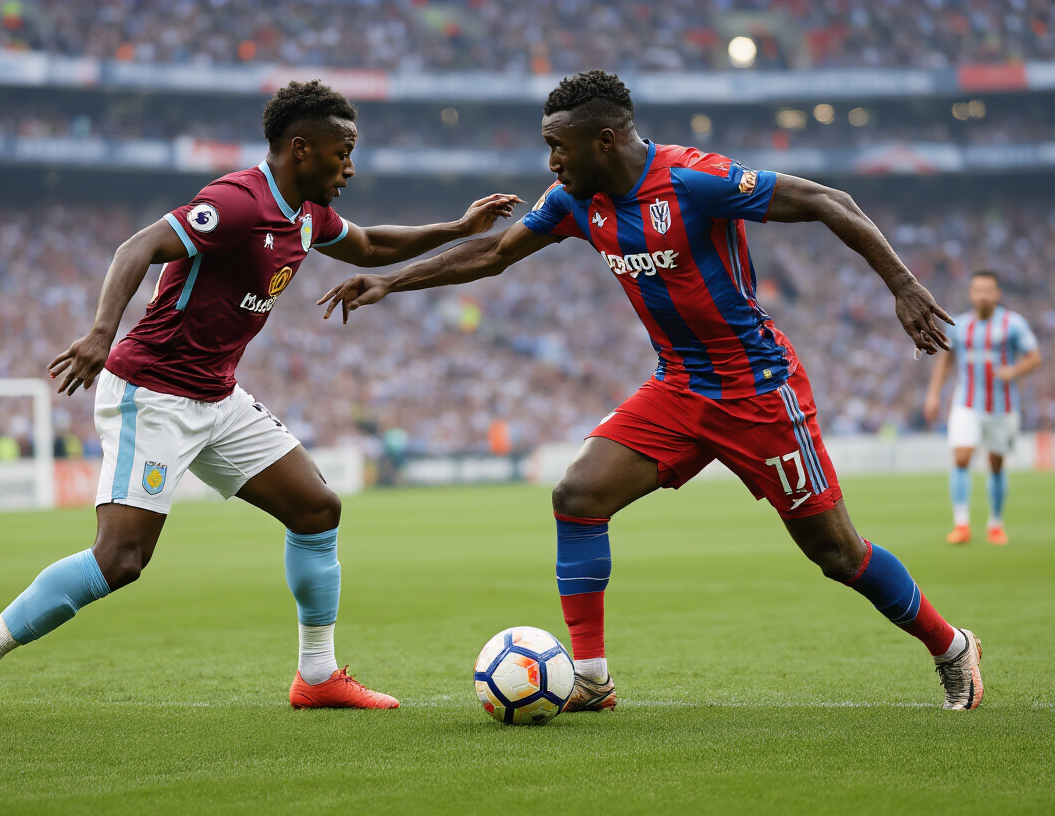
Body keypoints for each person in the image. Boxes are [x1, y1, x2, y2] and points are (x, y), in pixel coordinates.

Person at [319, 70, 985, 711]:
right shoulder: (576, 200)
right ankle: (589, 679)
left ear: (603, 139)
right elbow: (494, 255)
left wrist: (903, 285)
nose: (550, 161)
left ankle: (952, 646)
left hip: (758, 389)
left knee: (837, 554)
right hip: (680, 387)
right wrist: (390, 281)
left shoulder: (694, 178)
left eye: (558, 145)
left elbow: (827, 201)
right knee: (578, 494)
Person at [0, 80, 521, 726]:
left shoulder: (309, 214)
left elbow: (373, 245)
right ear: (301, 149)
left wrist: (457, 228)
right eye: (342, 152)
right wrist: (103, 330)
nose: (351, 166)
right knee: (121, 559)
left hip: (216, 395)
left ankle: (317, 676)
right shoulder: (238, 202)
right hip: (152, 393)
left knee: (317, 508)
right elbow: (139, 246)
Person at [924, 270, 1041, 545]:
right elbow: (945, 361)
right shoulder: (960, 325)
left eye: (988, 290)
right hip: (967, 403)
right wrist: (933, 395)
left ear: (998, 294)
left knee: (996, 464)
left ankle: (995, 525)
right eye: (977, 289)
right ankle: (961, 525)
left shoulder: (1013, 324)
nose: (983, 295)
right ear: (971, 293)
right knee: (961, 458)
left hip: (1003, 406)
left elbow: (1035, 357)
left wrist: (1014, 371)